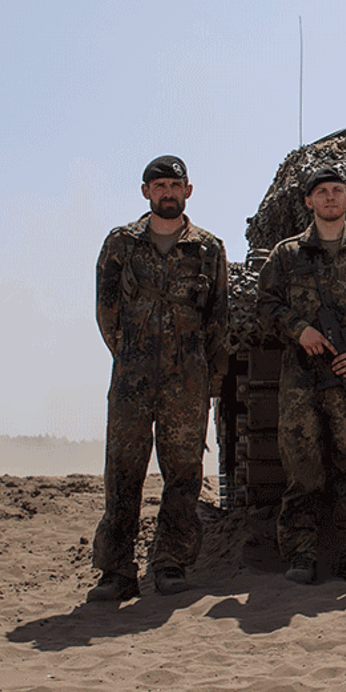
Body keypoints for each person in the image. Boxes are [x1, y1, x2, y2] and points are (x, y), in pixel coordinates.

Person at [89, 155, 229, 602]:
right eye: (160, 185)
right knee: (123, 471)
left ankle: (170, 562)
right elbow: (106, 310)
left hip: (186, 379)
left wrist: (201, 372)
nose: (168, 192)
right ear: (146, 192)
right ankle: (116, 569)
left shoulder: (208, 248)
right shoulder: (121, 244)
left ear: (188, 191)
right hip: (132, 377)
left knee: (184, 473)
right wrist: (130, 354)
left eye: (175, 185)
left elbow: (218, 320)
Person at [256, 165, 346, 586]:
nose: (330, 198)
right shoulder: (286, 255)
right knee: (302, 473)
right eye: (322, 192)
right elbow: (264, 306)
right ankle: (301, 555)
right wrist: (298, 329)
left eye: (338, 191)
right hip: (301, 380)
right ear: (308, 201)